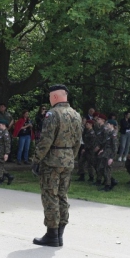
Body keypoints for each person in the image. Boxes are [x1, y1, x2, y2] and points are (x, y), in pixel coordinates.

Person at [30, 84, 81, 247]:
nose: (50, 99)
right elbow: (78, 142)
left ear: (55, 97)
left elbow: (46, 140)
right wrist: (71, 157)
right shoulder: (76, 115)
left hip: (52, 160)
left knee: (50, 195)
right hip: (68, 159)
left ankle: (52, 235)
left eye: (51, 96)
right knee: (62, 195)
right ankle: (59, 234)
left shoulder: (52, 114)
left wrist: (37, 159)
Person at [97, 119, 118, 191]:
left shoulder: (113, 134)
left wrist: (112, 158)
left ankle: (108, 185)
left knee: (107, 170)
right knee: (101, 168)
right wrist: (102, 150)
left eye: (108, 124)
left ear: (112, 125)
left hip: (109, 154)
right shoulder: (109, 133)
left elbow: (115, 147)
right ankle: (111, 181)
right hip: (105, 152)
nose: (107, 125)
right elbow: (107, 144)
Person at [76, 118, 96, 182]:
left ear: (91, 125)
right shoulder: (86, 131)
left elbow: (91, 143)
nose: (86, 125)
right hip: (85, 149)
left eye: (87, 124)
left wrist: (85, 148)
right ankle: (82, 176)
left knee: (90, 164)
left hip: (90, 151)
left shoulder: (92, 133)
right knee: (81, 162)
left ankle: (91, 177)